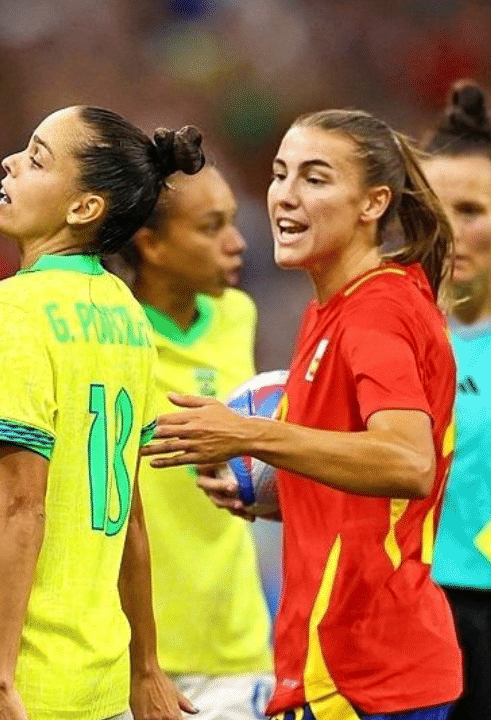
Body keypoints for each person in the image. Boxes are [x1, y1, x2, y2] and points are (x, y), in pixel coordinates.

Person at [144, 109, 462, 719]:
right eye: (280, 174)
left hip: (370, 672)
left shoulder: (377, 311)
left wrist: (251, 434)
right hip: (337, 663)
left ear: (373, 203)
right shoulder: (334, 308)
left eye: (315, 179)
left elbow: (407, 462)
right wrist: (280, 494)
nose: (285, 196)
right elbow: (370, 489)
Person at [0, 106, 201, 720]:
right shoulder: (125, 315)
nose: (12, 163)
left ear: (84, 209)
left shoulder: (10, 309)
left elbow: (21, 505)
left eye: (37, 159)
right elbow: (131, 514)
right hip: (97, 683)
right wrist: (145, 667)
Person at [120, 165, 275, 717]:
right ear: (152, 244)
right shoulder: (112, 328)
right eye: (212, 227)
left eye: (232, 223)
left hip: (235, 649)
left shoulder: (238, 314)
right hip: (131, 652)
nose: (237, 243)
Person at [420, 80, 491, 720]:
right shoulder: (372, 330)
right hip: (400, 611)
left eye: (470, 210)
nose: (450, 232)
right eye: (435, 209)